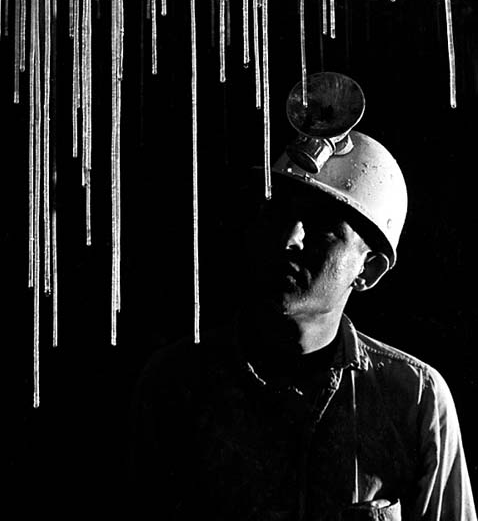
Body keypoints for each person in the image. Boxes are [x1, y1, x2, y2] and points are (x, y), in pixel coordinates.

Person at [127, 72, 476, 521]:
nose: (290, 237)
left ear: (368, 269)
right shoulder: (177, 386)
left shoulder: (413, 402)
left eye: (323, 226)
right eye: (280, 212)